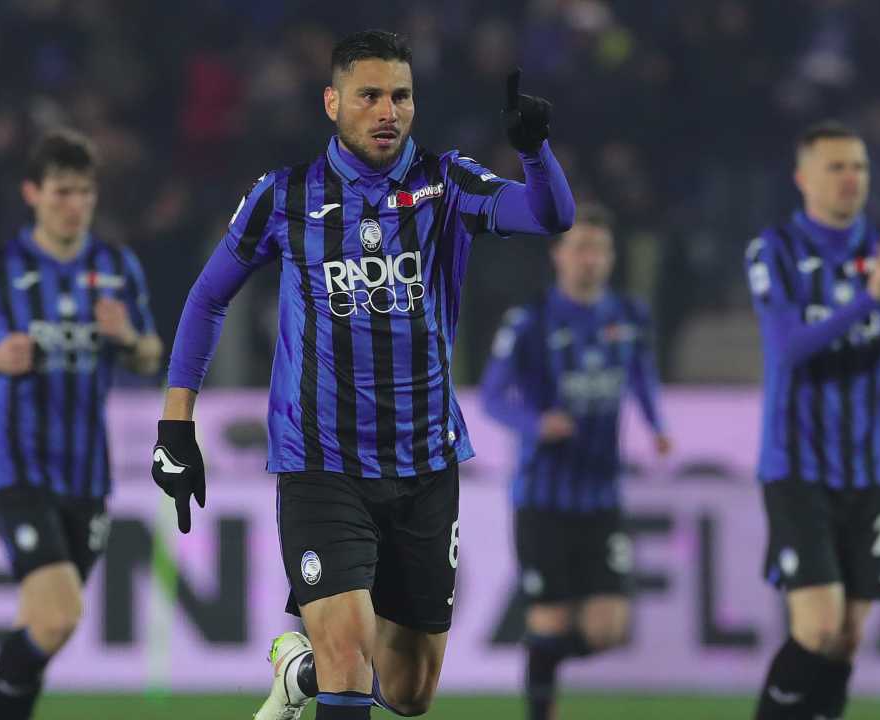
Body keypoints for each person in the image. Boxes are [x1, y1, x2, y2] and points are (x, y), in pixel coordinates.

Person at [150, 29, 574, 720]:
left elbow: (552, 215)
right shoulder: (283, 196)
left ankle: (303, 674)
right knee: (350, 657)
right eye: (370, 95)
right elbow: (207, 297)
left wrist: (534, 150)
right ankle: (328, 668)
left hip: (425, 462)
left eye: (400, 96)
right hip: (322, 460)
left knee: (408, 690)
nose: (388, 111)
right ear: (331, 102)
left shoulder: (448, 182)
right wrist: (174, 422)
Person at [0, 129, 162, 720]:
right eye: (60, 192)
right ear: (32, 193)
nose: (72, 204)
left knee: (42, 626)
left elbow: (152, 354)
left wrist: (127, 338)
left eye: (82, 192)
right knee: (59, 615)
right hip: (18, 469)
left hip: (88, 478)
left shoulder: (116, 267)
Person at [745, 121, 880, 720]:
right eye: (836, 167)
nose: (851, 178)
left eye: (860, 167)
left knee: (848, 637)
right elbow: (790, 348)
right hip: (797, 465)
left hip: (871, 466)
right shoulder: (772, 250)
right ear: (803, 178)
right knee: (818, 629)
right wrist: (871, 295)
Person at [480, 205, 670, 720]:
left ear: (610, 257)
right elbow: (493, 397)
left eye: (599, 249)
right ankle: (541, 700)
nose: (589, 259)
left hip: (602, 497)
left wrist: (657, 425)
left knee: (610, 627)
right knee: (550, 618)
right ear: (558, 254)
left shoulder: (628, 317)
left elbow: (642, 377)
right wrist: (536, 424)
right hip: (542, 496)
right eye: (579, 248)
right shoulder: (530, 321)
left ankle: (539, 664)